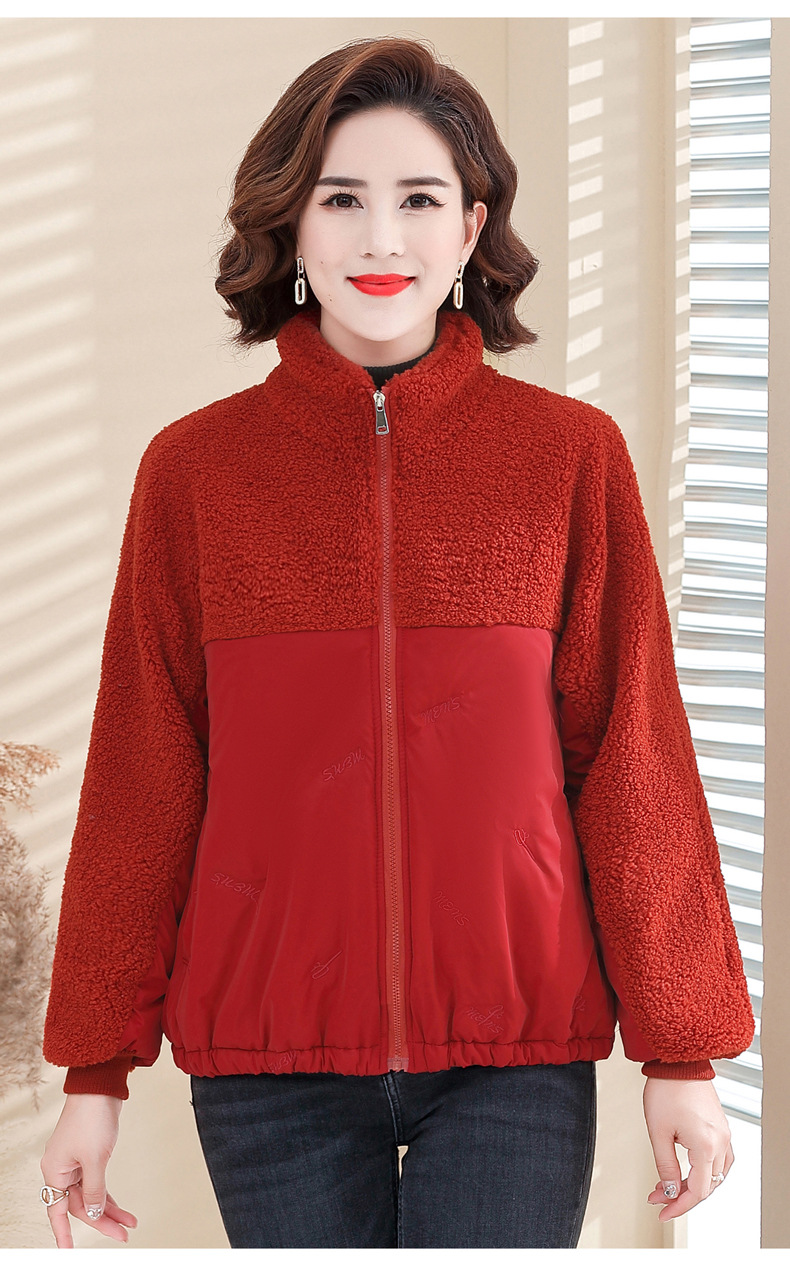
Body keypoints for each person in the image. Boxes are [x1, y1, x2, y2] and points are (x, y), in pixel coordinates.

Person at [39, 36, 754, 1250]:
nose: (381, 237)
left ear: (471, 228)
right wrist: (93, 1071)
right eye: (341, 199)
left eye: (419, 199)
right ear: (292, 227)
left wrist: (681, 1051)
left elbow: (631, 756)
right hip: (269, 1064)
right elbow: (143, 778)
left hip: (515, 1056)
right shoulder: (197, 473)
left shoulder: (565, 458)